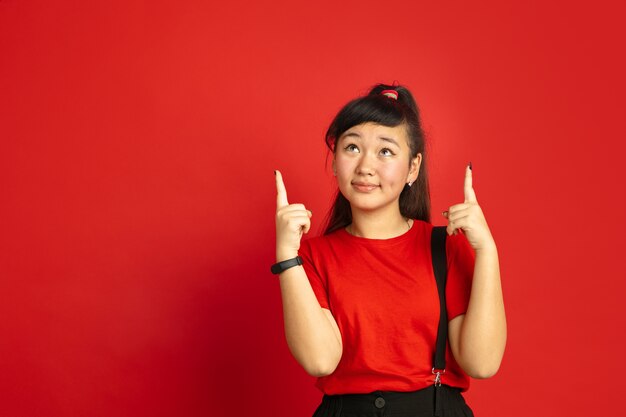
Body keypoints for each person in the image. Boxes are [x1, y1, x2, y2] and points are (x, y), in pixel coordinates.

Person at [272, 83, 506, 417]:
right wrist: (286, 256)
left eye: (385, 151)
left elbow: (482, 363)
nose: (366, 166)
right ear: (335, 160)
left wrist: (487, 251)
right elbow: (320, 360)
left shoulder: (445, 247)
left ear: (413, 167)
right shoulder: (311, 256)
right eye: (352, 147)